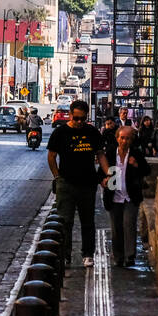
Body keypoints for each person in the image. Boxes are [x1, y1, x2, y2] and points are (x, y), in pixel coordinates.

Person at [46, 99, 104, 269]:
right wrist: (57, 177)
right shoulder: (60, 132)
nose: (79, 122)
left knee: (88, 221)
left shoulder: (92, 132)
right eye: (76, 118)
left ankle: (88, 254)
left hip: (88, 183)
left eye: (83, 119)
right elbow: (51, 156)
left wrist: (108, 175)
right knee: (65, 221)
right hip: (67, 182)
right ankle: (65, 255)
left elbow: (100, 154)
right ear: (70, 115)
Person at [102, 125, 148, 267]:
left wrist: (136, 165)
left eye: (128, 138)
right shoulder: (110, 153)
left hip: (130, 196)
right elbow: (101, 172)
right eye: (122, 138)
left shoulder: (136, 153)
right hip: (114, 195)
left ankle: (130, 256)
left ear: (132, 140)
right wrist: (103, 180)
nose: (124, 141)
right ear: (117, 138)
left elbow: (147, 170)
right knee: (116, 228)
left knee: (129, 225)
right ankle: (118, 257)